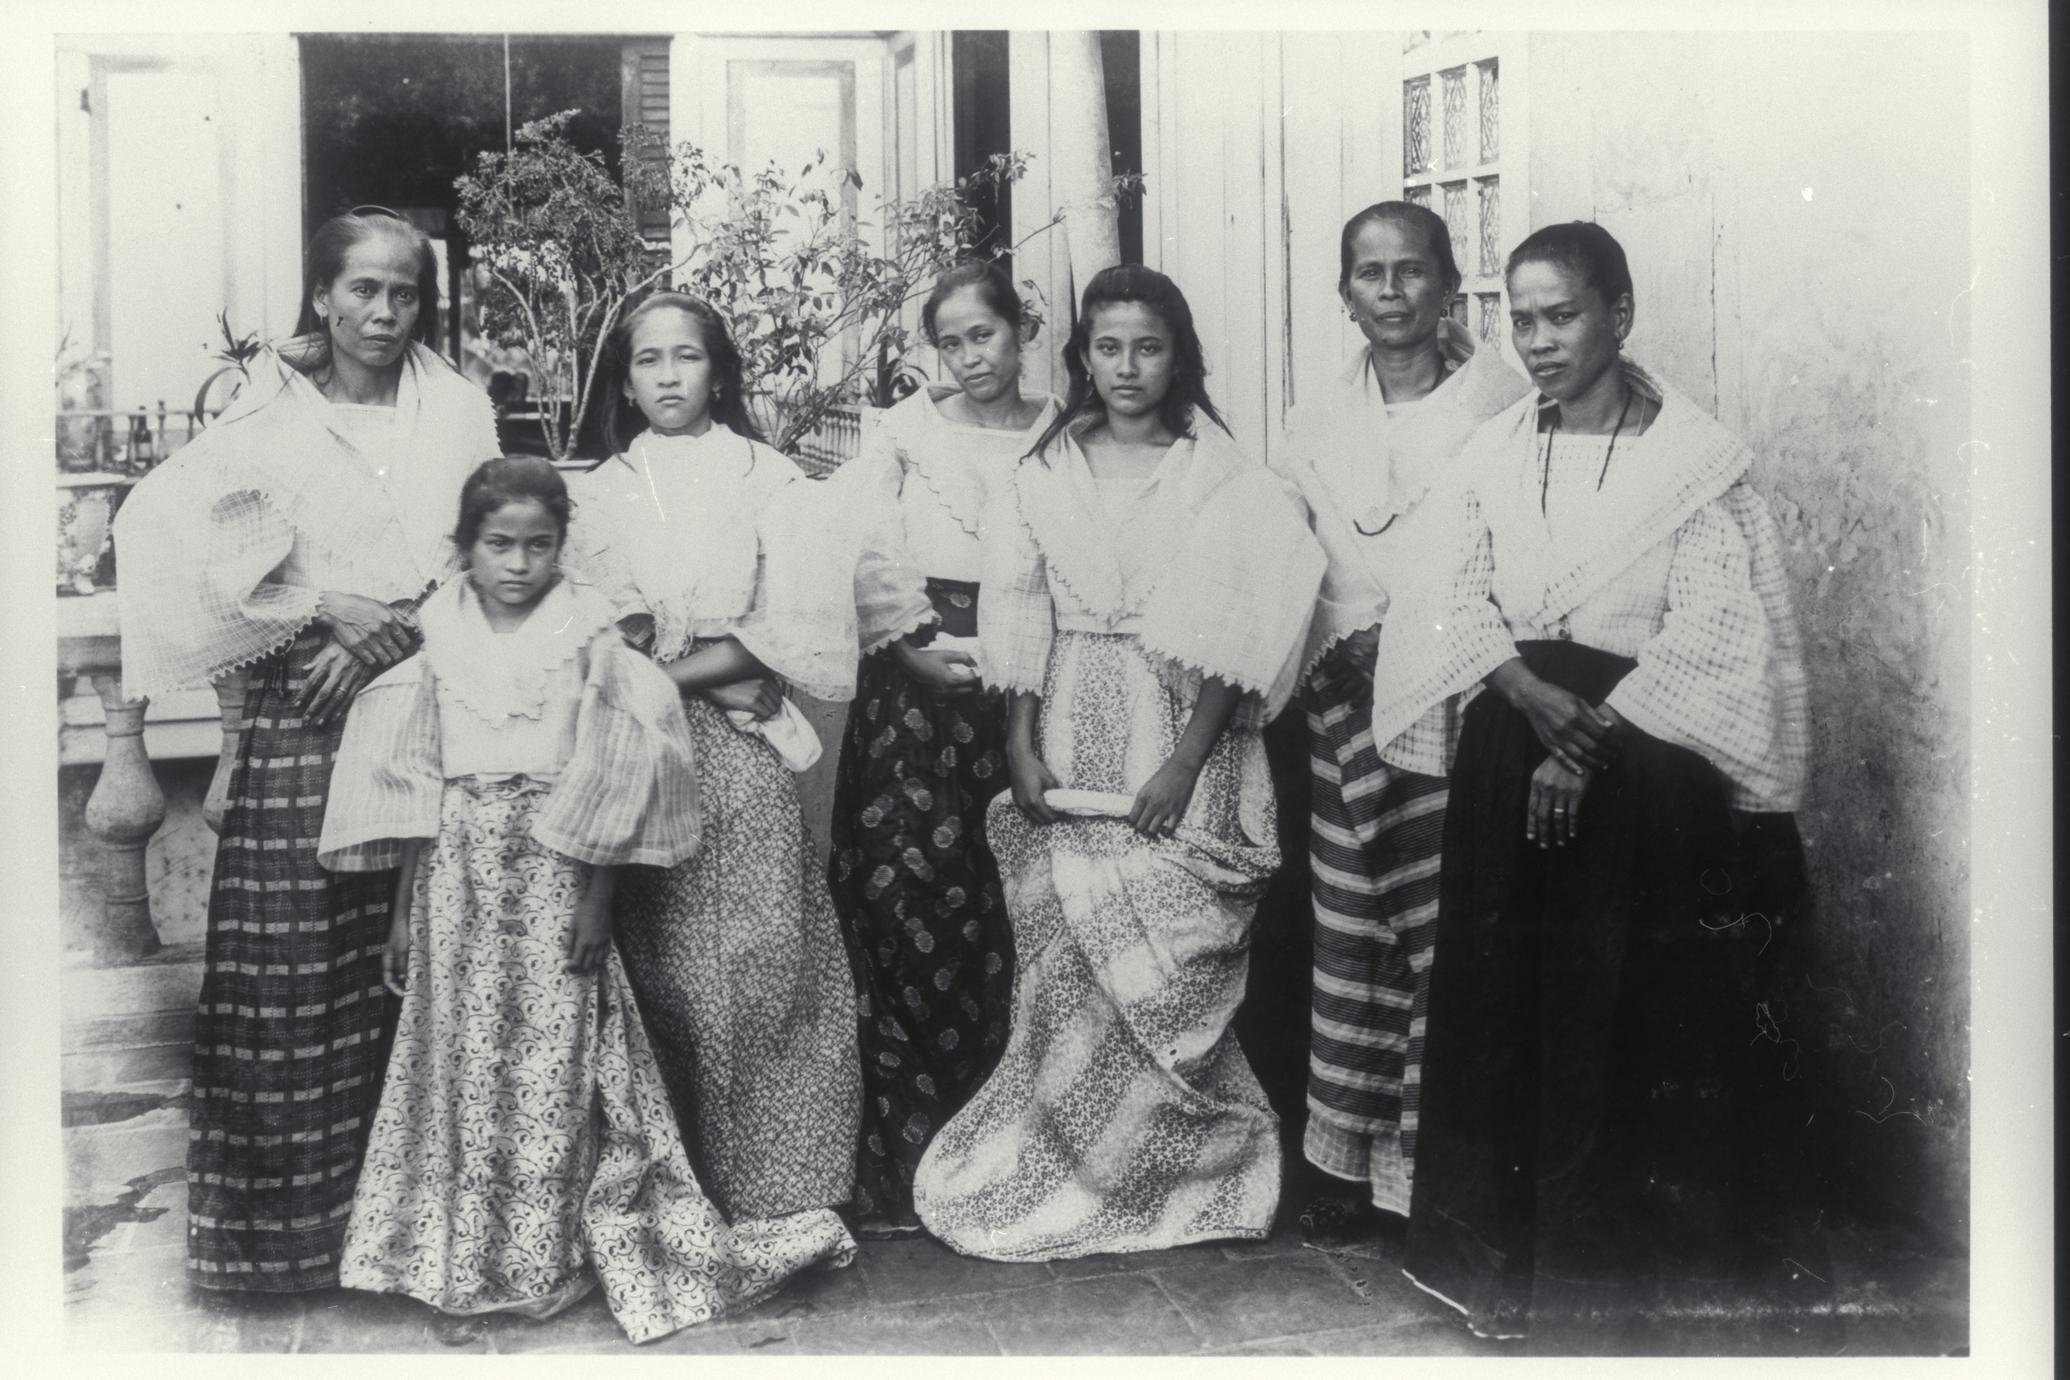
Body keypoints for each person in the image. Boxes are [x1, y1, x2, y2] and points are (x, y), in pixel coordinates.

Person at [1369, 222, 1821, 1346]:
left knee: (1616, 1009)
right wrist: (1523, 694)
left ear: (1620, 311)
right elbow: (1446, 590)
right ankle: (1499, 1269)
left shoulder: (1698, 464)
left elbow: (1720, 627)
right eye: (1520, 319)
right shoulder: (1493, 451)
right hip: (1510, 746)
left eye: (1562, 314)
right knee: (1502, 1007)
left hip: (1643, 771)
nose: (1539, 341)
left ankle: (1610, 1269)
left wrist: (1590, 742)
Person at [315, 457, 853, 1342]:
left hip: (557, 869)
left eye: (538, 546)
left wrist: (599, 898)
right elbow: (418, 783)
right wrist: (405, 908)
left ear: (564, 548)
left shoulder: (591, 632)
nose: (518, 564)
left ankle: (540, 1259)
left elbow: (613, 771)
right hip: (459, 873)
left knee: (550, 1070)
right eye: (498, 545)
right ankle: (463, 1256)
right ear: (465, 548)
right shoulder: (437, 630)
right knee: (461, 1064)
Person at [113, 206, 502, 1293]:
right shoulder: (266, 411)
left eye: (405, 292)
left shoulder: (459, 409)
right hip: (304, 715)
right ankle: (280, 1251)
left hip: (433, 707)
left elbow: (490, 559)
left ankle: (405, 1247)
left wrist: (387, 635)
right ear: (322, 296)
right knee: (283, 969)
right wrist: (323, 606)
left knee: (416, 969)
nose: (383, 312)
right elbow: (167, 533)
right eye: (363, 290)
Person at [911, 265, 1325, 1261]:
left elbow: (1235, 628)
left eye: (1148, 346)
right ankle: (1070, 1160)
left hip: (1185, 735)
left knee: (1167, 947)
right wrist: (1019, 741)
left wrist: (1185, 762)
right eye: (1108, 347)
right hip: (1070, 723)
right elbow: (1018, 604)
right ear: (1082, 355)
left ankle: (1184, 1166)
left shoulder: (1221, 473)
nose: (1127, 366)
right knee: (1066, 941)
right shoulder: (1044, 472)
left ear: (1177, 354)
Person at [563, 292, 863, 1233]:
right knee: (668, 968)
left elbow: (790, 627)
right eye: (647, 361)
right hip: (643, 757)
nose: (667, 377)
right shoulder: (598, 492)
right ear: (625, 379)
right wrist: (690, 682)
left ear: (719, 372)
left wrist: (688, 675)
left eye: (685, 358)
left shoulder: (770, 480)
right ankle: (676, 1182)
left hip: (744, 757)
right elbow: (595, 635)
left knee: (766, 956)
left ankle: (781, 1183)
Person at [1272, 202, 1528, 1240]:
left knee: (1442, 927)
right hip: (1342, 705)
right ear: (1344, 295)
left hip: (1458, 696)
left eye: (1412, 272)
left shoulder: (1502, 405)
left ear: (1449, 286)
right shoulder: (1311, 423)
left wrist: (1428, 646)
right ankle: (1348, 1169)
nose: (1391, 292)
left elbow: (1513, 551)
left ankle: (1436, 1171)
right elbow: (1301, 559)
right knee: (1352, 930)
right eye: (1369, 274)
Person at [826, 261, 1060, 1236]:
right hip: (918, 687)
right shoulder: (906, 430)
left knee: (1021, 899)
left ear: (1024, 330)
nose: (972, 357)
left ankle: (1012, 1151)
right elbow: (861, 538)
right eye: (953, 341)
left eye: (987, 335)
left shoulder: (1061, 428)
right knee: (912, 889)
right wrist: (914, 642)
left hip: (1035, 675)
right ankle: (910, 1153)